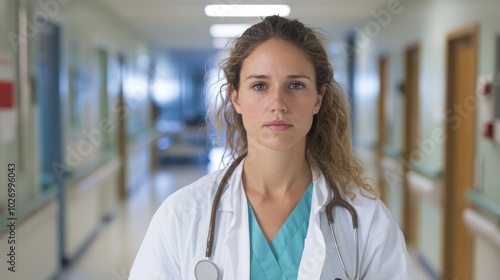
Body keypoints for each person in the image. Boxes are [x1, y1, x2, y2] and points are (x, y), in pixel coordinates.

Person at [130, 15, 418, 280]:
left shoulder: (365, 218)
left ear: (318, 98)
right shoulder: (182, 214)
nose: (278, 104)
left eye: (295, 85)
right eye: (259, 86)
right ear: (236, 97)